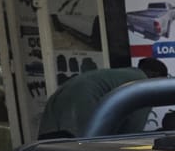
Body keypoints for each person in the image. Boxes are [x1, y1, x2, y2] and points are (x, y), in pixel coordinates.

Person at [37, 57, 168, 139]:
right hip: (83, 99)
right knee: (86, 148)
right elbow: (132, 131)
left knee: (53, 144)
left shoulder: (124, 75)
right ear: (155, 75)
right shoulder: (142, 83)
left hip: (62, 92)